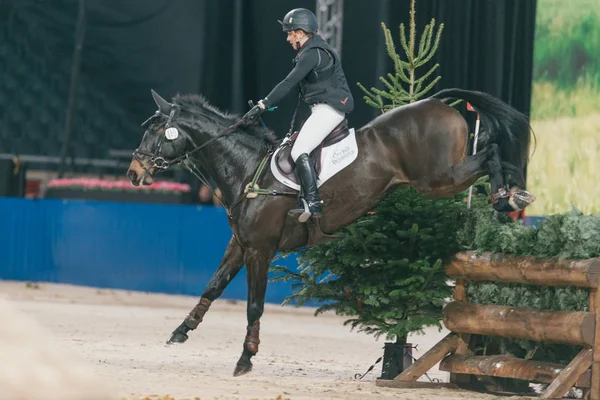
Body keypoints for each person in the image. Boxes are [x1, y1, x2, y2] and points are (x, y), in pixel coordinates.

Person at [243, 8, 354, 222]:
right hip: (323, 109)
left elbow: (287, 83)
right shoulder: (312, 51)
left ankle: (312, 202)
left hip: (329, 110)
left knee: (299, 149)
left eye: (289, 33)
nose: (287, 38)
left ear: (300, 32)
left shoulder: (313, 53)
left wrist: (263, 105)